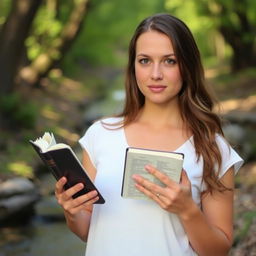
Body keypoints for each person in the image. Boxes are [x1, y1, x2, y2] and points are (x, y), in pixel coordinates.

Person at [55, 13, 243, 256]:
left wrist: (188, 210)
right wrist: (71, 212)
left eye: (169, 61)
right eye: (145, 61)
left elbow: (218, 250)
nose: (155, 74)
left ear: (188, 66)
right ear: (133, 66)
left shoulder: (212, 148)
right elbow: (88, 230)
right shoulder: (100, 135)